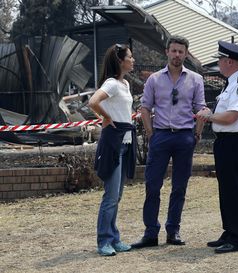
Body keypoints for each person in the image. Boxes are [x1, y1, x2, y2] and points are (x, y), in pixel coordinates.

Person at [130, 35, 207, 248]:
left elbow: (200, 108)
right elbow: (145, 107)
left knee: (179, 186)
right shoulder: (154, 79)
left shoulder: (195, 79)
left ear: (186, 54)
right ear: (167, 52)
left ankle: (173, 231)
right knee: (153, 185)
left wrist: (197, 133)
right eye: (173, 51)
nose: (177, 55)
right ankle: (150, 233)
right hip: (161, 136)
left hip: (184, 136)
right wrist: (150, 132)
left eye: (181, 51)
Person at [196, 41, 238, 254]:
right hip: (226, 142)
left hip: (235, 141)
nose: (219, 64)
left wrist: (209, 116)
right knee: (226, 189)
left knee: (233, 190)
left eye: (220, 60)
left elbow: (232, 116)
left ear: (229, 61)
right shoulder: (232, 82)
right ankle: (229, 232)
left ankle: (236, 238)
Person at [88, 43, 136, 256]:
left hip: (126, 144)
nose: (133, 60)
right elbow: (93, 101)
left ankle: (114, 237)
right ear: (120, 60)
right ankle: (104, 241)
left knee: (117, 196)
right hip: (113, 144)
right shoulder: (112, 84)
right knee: (111, 196)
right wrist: (106, 117)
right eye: (130, 57)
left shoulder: (124, 84)